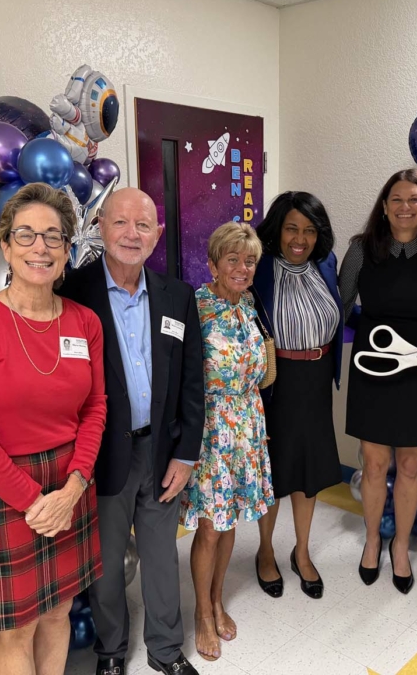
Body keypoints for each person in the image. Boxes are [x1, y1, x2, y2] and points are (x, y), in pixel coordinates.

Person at [0, 187, 205, 675]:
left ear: (158, 234)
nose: (131, 234)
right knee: (94, 574)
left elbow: (188, 382)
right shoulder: (75, 292)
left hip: (133, 456)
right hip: (92, 461)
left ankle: (166, 651)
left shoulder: (174, 296)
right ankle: (111, 652)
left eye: (143, 225)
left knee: (152, 562)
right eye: (120, 222)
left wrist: (186, 453)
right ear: (99, 229)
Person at [0, 183, 108, 675]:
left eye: (53, 236)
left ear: (66, 251)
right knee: (17, 627)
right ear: (6, 247)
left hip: (70, 478)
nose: (40, 247)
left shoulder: (85, 323)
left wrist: (73, 487)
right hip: (2, 488)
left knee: (59, 610)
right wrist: (35, 502)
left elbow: (95, 408)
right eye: (26, 235)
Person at [340, 168, 417, 595]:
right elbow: (339, 306)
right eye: (396, 198)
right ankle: (373, 540)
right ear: (384, 205)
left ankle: (401, 546)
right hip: (372, 368)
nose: (405, 207)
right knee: (374, 465)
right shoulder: (361, 250)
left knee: (410, 466)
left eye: (415, 199)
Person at [180, 222, 273, 661]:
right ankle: (202, 612)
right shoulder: (196, 308)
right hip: (212, 431)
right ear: (213, 264)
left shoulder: (249, 305)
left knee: (231, 518)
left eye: (249, 260)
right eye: (232, 259)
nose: (242, 267)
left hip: (248, 426)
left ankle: (217, 600)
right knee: (209, 528)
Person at [251, 191, 344, 600]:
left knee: (309, 472)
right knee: (274, 472)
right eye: (292, 228)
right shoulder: (260, 267)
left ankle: (301, 552)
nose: (300, 239)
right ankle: (265, 551)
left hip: (317, 378)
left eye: (309, 230)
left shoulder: (327, 263)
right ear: (277, 230)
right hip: (276, 381)